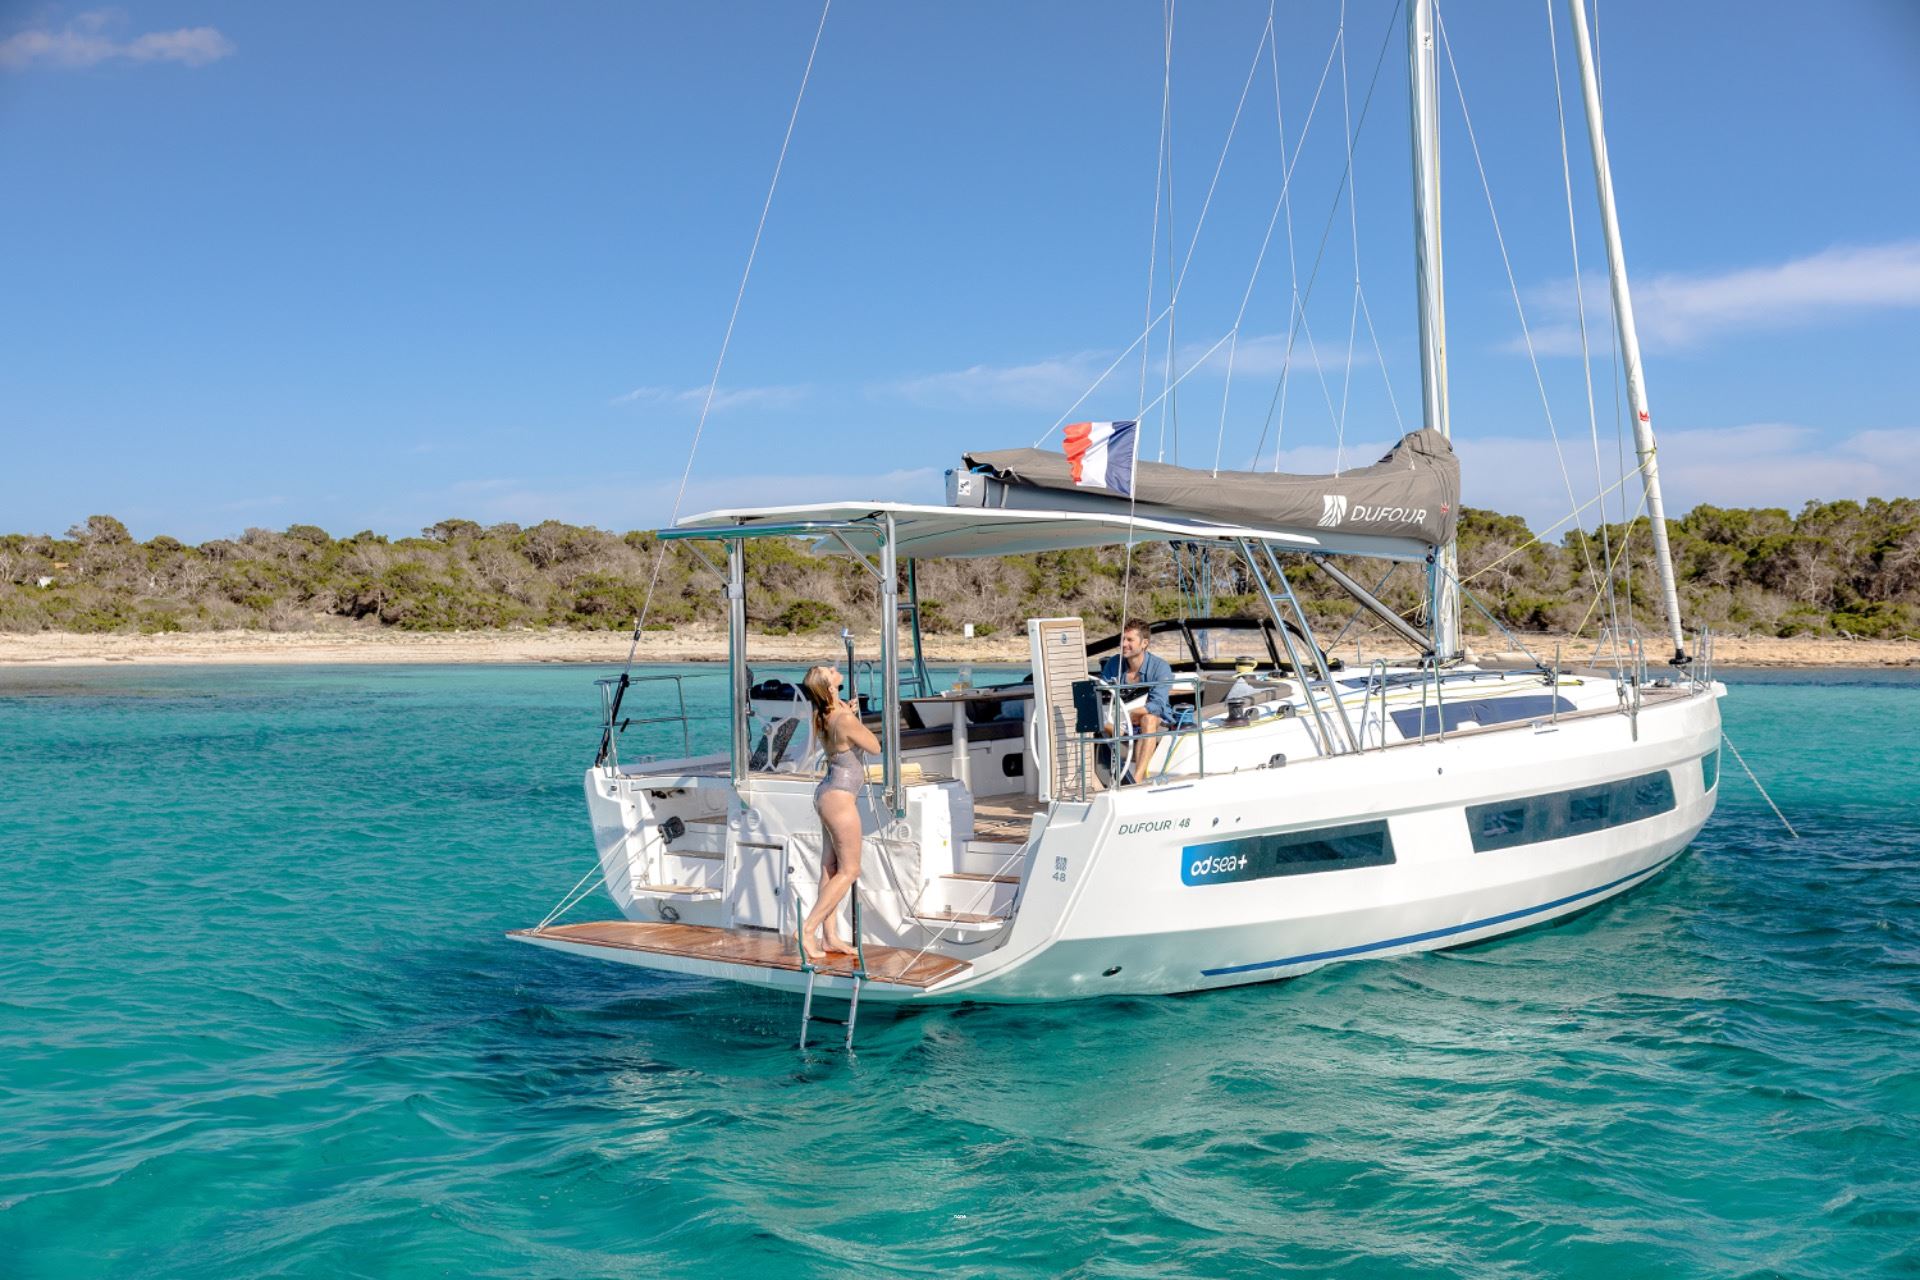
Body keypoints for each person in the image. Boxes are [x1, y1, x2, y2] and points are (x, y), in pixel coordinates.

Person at [798, 664, 880, 960]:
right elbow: (874, 747)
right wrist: (854, 718)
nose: (835, 669)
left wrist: (847, 709)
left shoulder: (823, 713)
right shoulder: (843, 719)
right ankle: (807, 930)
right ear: (830, 687)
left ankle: (829, 937)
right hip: (840, 799)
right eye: (830, 671)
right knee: (849, 870)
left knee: (829, 868)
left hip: (827, 793)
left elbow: (839, 724)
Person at [1098, 619, 1174, 784]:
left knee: (1149, 719)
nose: (1123, 644)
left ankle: (1137, 780)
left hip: (1151, 719)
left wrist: (1132, 714)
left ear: (1144, 643)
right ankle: (1093, 781)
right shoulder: (1113, 664)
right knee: (1092, 719)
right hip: (1119, 718)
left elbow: (1158, 705)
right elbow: (1102, 694)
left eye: (1130, 640)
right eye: (1122, 639)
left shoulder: (1160, 667)